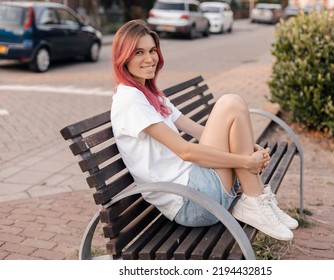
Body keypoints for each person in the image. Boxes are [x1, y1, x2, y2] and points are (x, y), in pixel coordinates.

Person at [110, 19, 298, 241]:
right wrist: (245, 161)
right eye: (139, 52)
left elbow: (200, 132)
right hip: (189, 201)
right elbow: (186, 151)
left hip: (197, 187)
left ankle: (255, 200)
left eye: (152, 50)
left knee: (232, 103)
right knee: (229, 102)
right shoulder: (130, 99)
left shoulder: (150, 94)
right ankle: (254, 201)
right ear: (124, 57)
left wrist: (246, 146)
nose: (150, 59)